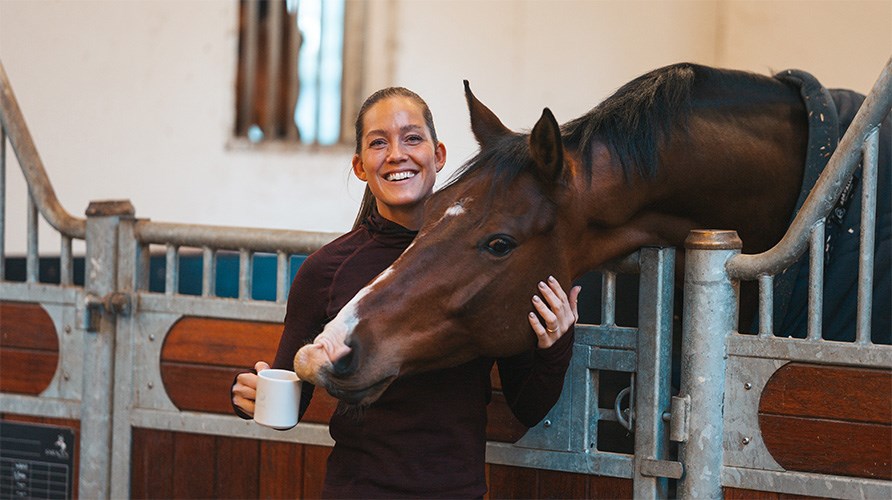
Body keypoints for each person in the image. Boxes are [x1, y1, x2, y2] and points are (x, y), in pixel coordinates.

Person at [231, 87, 581, 498]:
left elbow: (528, 406)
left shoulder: (485, 260)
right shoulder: (326, 269)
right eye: (379, 142)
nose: (397, 153)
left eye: (412, 138)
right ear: (361, 167)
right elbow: (291, 399)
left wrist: (555, 344)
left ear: (440, 156)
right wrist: (248, 397)